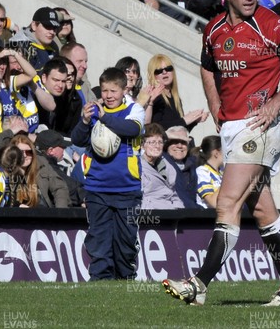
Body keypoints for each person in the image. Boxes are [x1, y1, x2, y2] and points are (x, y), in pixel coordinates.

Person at [163, 0, 280, 307]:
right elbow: (207, 66)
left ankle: (198, 284)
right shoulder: (214, 29)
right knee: (263, 212)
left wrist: (276, 102)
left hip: (260, 127)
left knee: (227, 203)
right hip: (233, 127)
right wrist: (216, 106)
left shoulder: (272, 25)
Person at [71, 67, 145, 280]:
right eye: (104, 91)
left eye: (113, 91)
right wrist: (85, 121)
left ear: (124, 91)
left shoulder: (133, 111)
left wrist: (105, 118)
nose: (108, 96)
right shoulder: (93, 112)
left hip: (127, 189)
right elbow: (77, 140)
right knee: (99, 239)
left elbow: (132, 130)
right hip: (97, 188)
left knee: (126, 240)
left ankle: (125, 279)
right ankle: (100, 283)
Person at [145, 53, 208, 131]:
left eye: (168, 68)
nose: (164, 72)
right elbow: (156, 127)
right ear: (153, 75)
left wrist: (194, 120)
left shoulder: (175, 97)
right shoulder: (155, 97)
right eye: (159, 71)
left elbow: (179, 131)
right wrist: (184, 120)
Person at [12, 134, 71, 208]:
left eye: (28, 152)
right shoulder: (7, 170)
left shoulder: (41, 162)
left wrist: (60, 211)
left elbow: (59, 187)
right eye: (20, 152)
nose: (24, 155)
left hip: (42, 212)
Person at [35, 129, 85, 207]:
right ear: (50, 150)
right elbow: (72, 189)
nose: (64, 149)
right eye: (62, 146)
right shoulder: (48, 165)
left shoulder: (38, 160)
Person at [140, 122, 183, 209]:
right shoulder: (138, 167)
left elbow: (173, 193)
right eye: (152, 142)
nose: (157, 146)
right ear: (142, 145)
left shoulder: (168, 167)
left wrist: (179, 209)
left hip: (170, 212)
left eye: (160, 142)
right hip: (151, 213)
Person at [8, 6, 61, 74]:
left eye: (55, 28)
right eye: (47, 26)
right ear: (34, 25)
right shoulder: (18, 46)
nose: (52, 32)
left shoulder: (54, 47)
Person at [164, 125, 199, 208]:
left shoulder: (195, 164)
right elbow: (149, 135)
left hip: (193, 212)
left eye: (183, 142)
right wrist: (165, 135)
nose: (179, 146)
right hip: (170, 212)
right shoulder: (159, 162)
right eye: (174, 141)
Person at [195, 134, 223, 209]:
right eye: (226, 150)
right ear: (216, 153)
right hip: (208, 217)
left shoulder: (222, 172)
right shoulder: (202, 172)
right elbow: (213, 203)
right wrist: (227, 180)